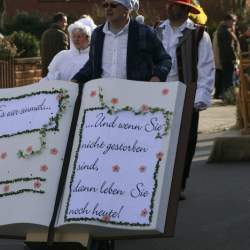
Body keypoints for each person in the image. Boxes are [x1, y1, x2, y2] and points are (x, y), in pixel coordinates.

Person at [156, 0, 215, 199]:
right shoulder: (156, 30)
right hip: (157, 93)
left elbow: (206, 68)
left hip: (185, 92)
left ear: (187, 9)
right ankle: (156, 181)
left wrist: (201, 97)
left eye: (175, 4)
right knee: (157, 139)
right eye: (169, 4)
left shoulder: (199, 34)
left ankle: (178, 184)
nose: (170, 7)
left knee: (185, 141)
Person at [72, 0, 172, 84]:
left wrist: (157, 77)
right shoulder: (98, 34)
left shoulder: (144, 32)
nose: (108, 8)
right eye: (105, 5)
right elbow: (92, 65)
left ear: (127, 8)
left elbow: (164, 59)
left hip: (134, 98)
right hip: (101, 98)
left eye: (114, 5)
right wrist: (76, 79)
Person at [40, 12, 69, 77]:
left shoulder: (45, 33)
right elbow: (64, 55)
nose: (66, 24)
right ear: (59, 21)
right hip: (57, 73)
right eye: (65, 22)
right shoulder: (62, 35)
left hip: (45, 71)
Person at [217, 14, 239, 96]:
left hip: (225, 58)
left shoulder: (223, 30)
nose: (234, 23)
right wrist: (235, 58)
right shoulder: (226, 31)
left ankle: (226, 95)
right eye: (233, 21)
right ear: (228, 21)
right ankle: (229, 96)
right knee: (229, 79)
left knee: (227, 78)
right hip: (228, 58)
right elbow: (229, 47)